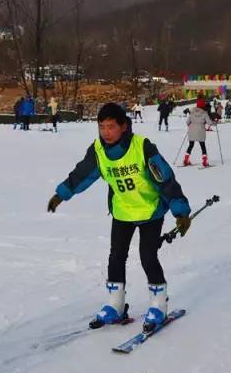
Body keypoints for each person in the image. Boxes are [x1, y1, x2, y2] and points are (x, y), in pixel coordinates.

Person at [46, 102, 191, 332]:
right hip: (122, 211)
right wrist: (62, 194)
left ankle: (158, 305)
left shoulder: (141, 147)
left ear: (123, 126)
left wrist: (180, 212)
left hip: (150, 210)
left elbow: (165, 179)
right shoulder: (98, 150)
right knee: (116, 256)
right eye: (101, 127)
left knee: (147, 256)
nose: (106, 132)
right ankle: (116, 303)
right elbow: (82, 174)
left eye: (111, 126)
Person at [184, 98, 213, 167]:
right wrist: (214, 122)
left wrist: (191, 125)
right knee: (202, 146)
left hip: (191, 130)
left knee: (190, 145)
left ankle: (186, 159)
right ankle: (204, 161)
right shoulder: (204, 113)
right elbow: (209, 122)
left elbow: (187, 122)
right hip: (200, 131)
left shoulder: (192, 112)